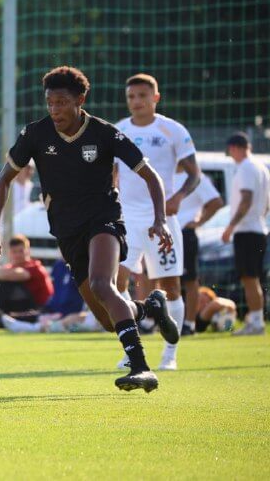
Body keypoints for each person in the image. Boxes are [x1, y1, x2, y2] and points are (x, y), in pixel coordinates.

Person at [0, 66, 178, 393]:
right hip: (67, 230)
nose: (55, 110)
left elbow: (150, 176)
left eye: (62, 103)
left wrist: (160, 219)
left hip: (104, 220)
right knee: (107, 320)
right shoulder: (35, 134)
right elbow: (4, 179)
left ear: (80, 100)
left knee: (103, 284)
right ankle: (149, 307)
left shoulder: (104, 133)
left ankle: (141, 367)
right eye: (50, 103)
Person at [114, 73, 201, 371]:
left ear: (156, 98)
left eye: (142, 96)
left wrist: (177, 198)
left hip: (161, 221)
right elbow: (111, 174)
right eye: (131, 97)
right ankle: (132, 349)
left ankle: (170, 354)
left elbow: (195, 173)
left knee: (171, 287)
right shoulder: (119, 130)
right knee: (117, 282)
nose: (136, 101)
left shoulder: (172, 130)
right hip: (126, 219)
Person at [222, 132, 270, 336]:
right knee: (253, 278)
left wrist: (230, 226)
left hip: (247, 231)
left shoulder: (246, 167)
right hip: (258, 228)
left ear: (234, 148)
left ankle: (256, 323)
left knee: (249, 278)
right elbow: (266, 204)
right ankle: (255, 319)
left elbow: (246, 199)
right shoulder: (261, 167)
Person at [173, 166, 224, 335]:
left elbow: (216, 202)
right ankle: (165, 322)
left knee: (190, 280)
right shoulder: (164, 172)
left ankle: (189, 324)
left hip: (185, 234)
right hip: (165, 233)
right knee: (166, 280)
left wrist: (199, 221)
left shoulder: (196, 178)